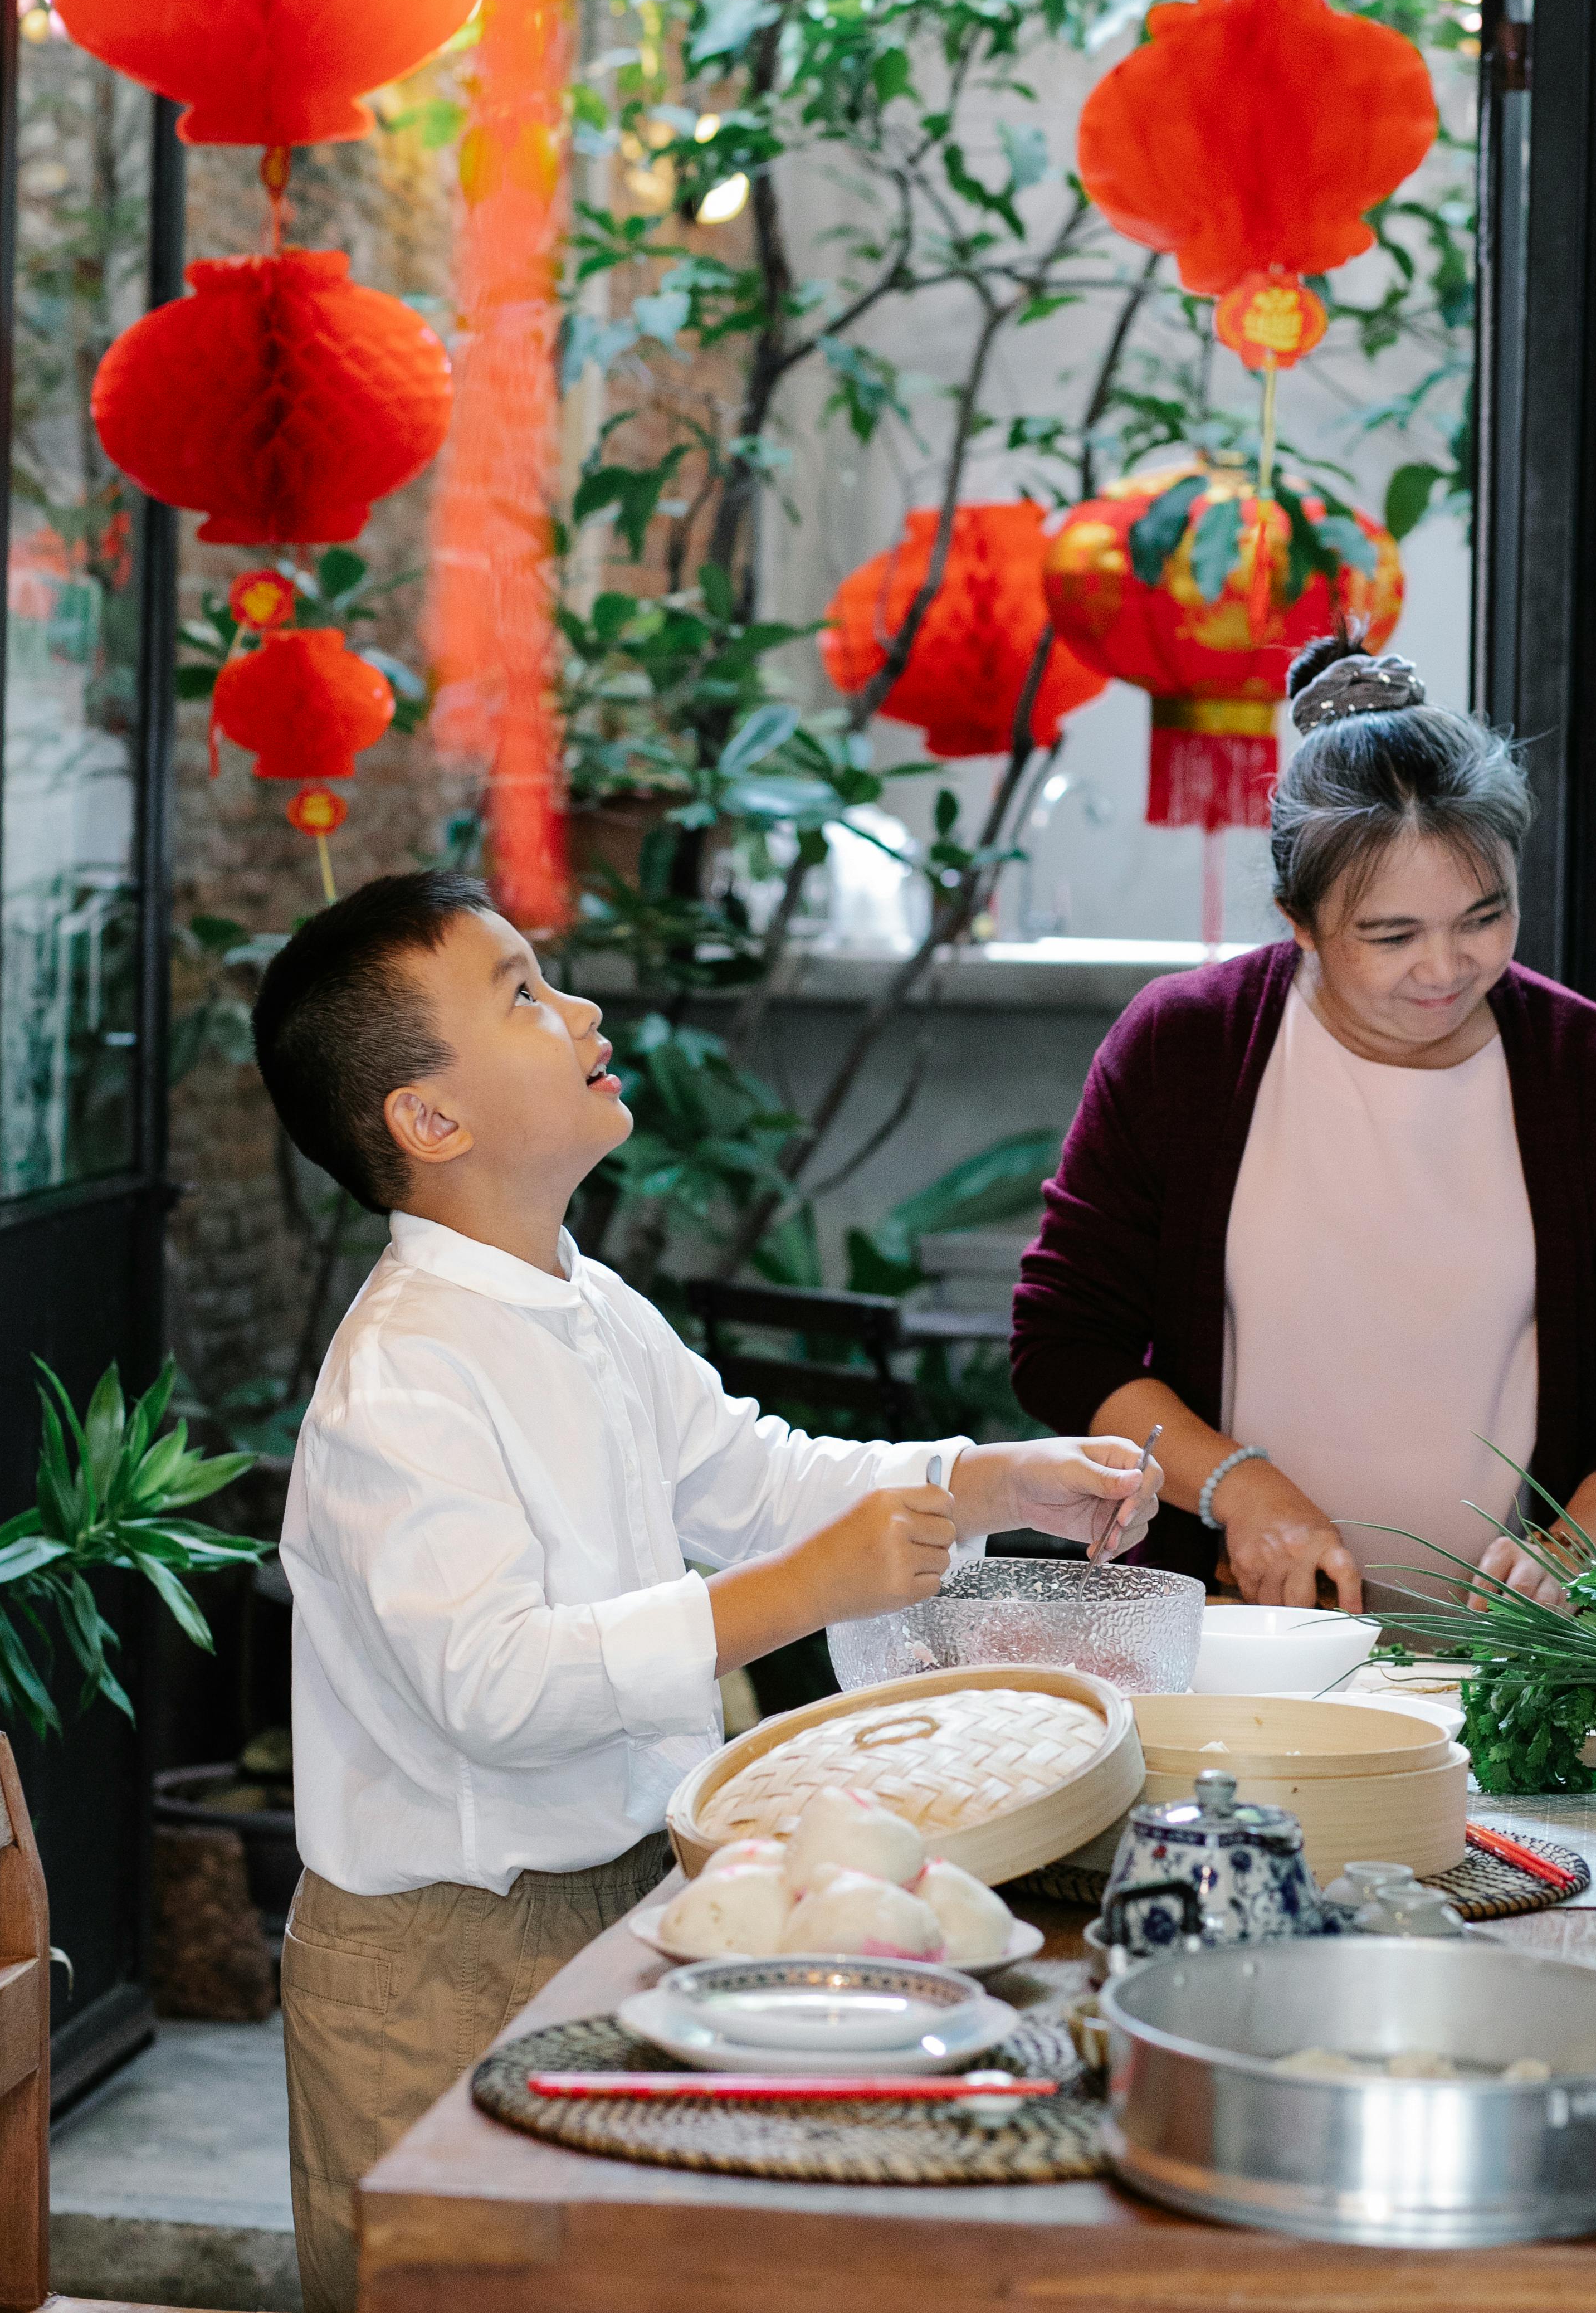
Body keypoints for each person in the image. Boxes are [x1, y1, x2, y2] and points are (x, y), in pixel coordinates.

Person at [252, 871, 1161, 2313]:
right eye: (523, 994)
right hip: (433, 1956)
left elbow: (758, 1475)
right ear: (431, 1120)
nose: (583, 1008)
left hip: (633, 1895)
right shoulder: (400, 1373)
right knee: (447, 2279)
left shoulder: (584, 1297)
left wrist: (993, 1478)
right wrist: (793, 1592)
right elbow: (498, 1688)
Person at [1011, 634, 1596, 1619]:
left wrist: (1569, 1553)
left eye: (1484, 917)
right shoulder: (1187, 1049)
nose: (1444, 968)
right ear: (1297, 920)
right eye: (1392, 935)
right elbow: (1065, 1343)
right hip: (1238, 1634)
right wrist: (1240, 1490)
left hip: (1515, 1656)